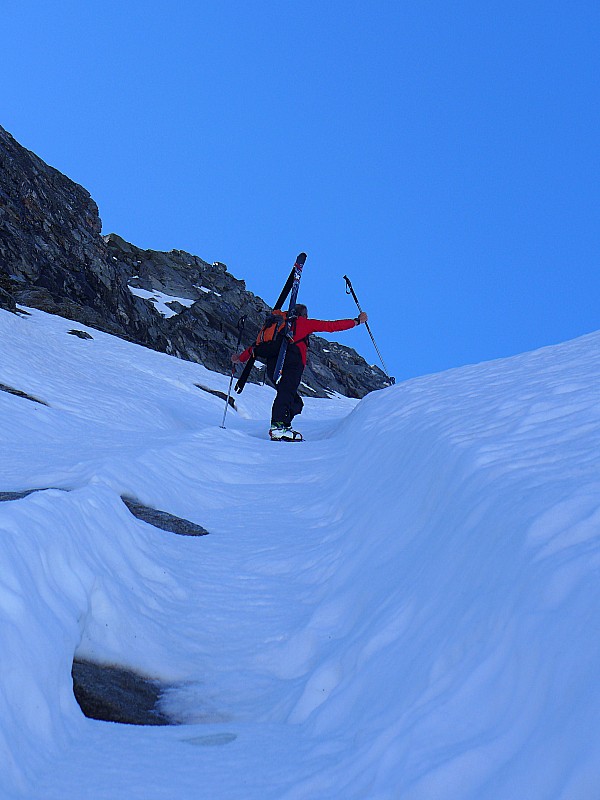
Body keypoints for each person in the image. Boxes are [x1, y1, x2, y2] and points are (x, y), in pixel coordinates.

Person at [232, 304, 368, 441]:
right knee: (286, 394)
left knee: (295, 401)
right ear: (303, 315)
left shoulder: (280, 324)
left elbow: (255, 346)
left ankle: (284, 426)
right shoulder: (301, 323)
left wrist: (240, 358)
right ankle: (278, 427)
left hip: (274, 366)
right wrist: (357, 321)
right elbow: (331, 326)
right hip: (292, 364)